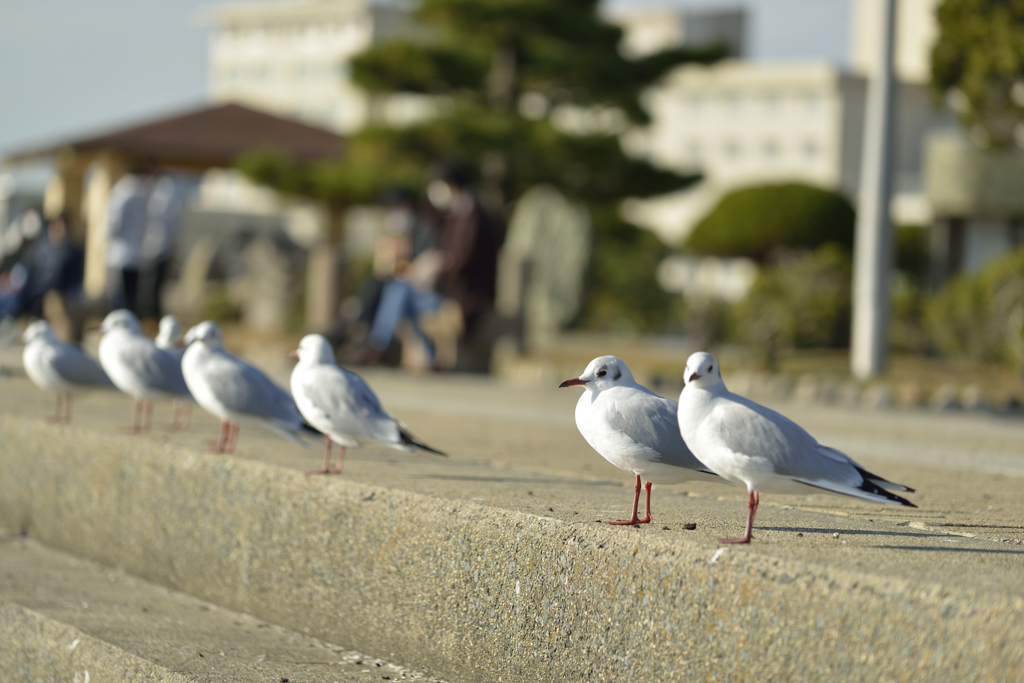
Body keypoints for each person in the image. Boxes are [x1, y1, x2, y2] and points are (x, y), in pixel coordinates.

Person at [105, 165, 153, 314]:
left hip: (120, 254)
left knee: (118, 298)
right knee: (131, 297)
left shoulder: (121, 192)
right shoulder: (143, 194)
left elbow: (112, 223)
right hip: (136, 253)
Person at [138, 174, 185, 320]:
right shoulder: (163, 194)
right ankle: (151, 315)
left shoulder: (159, 194)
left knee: (152, 286)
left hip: (156, 248)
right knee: (153, 286)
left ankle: (151, 315)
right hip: (156, 248)